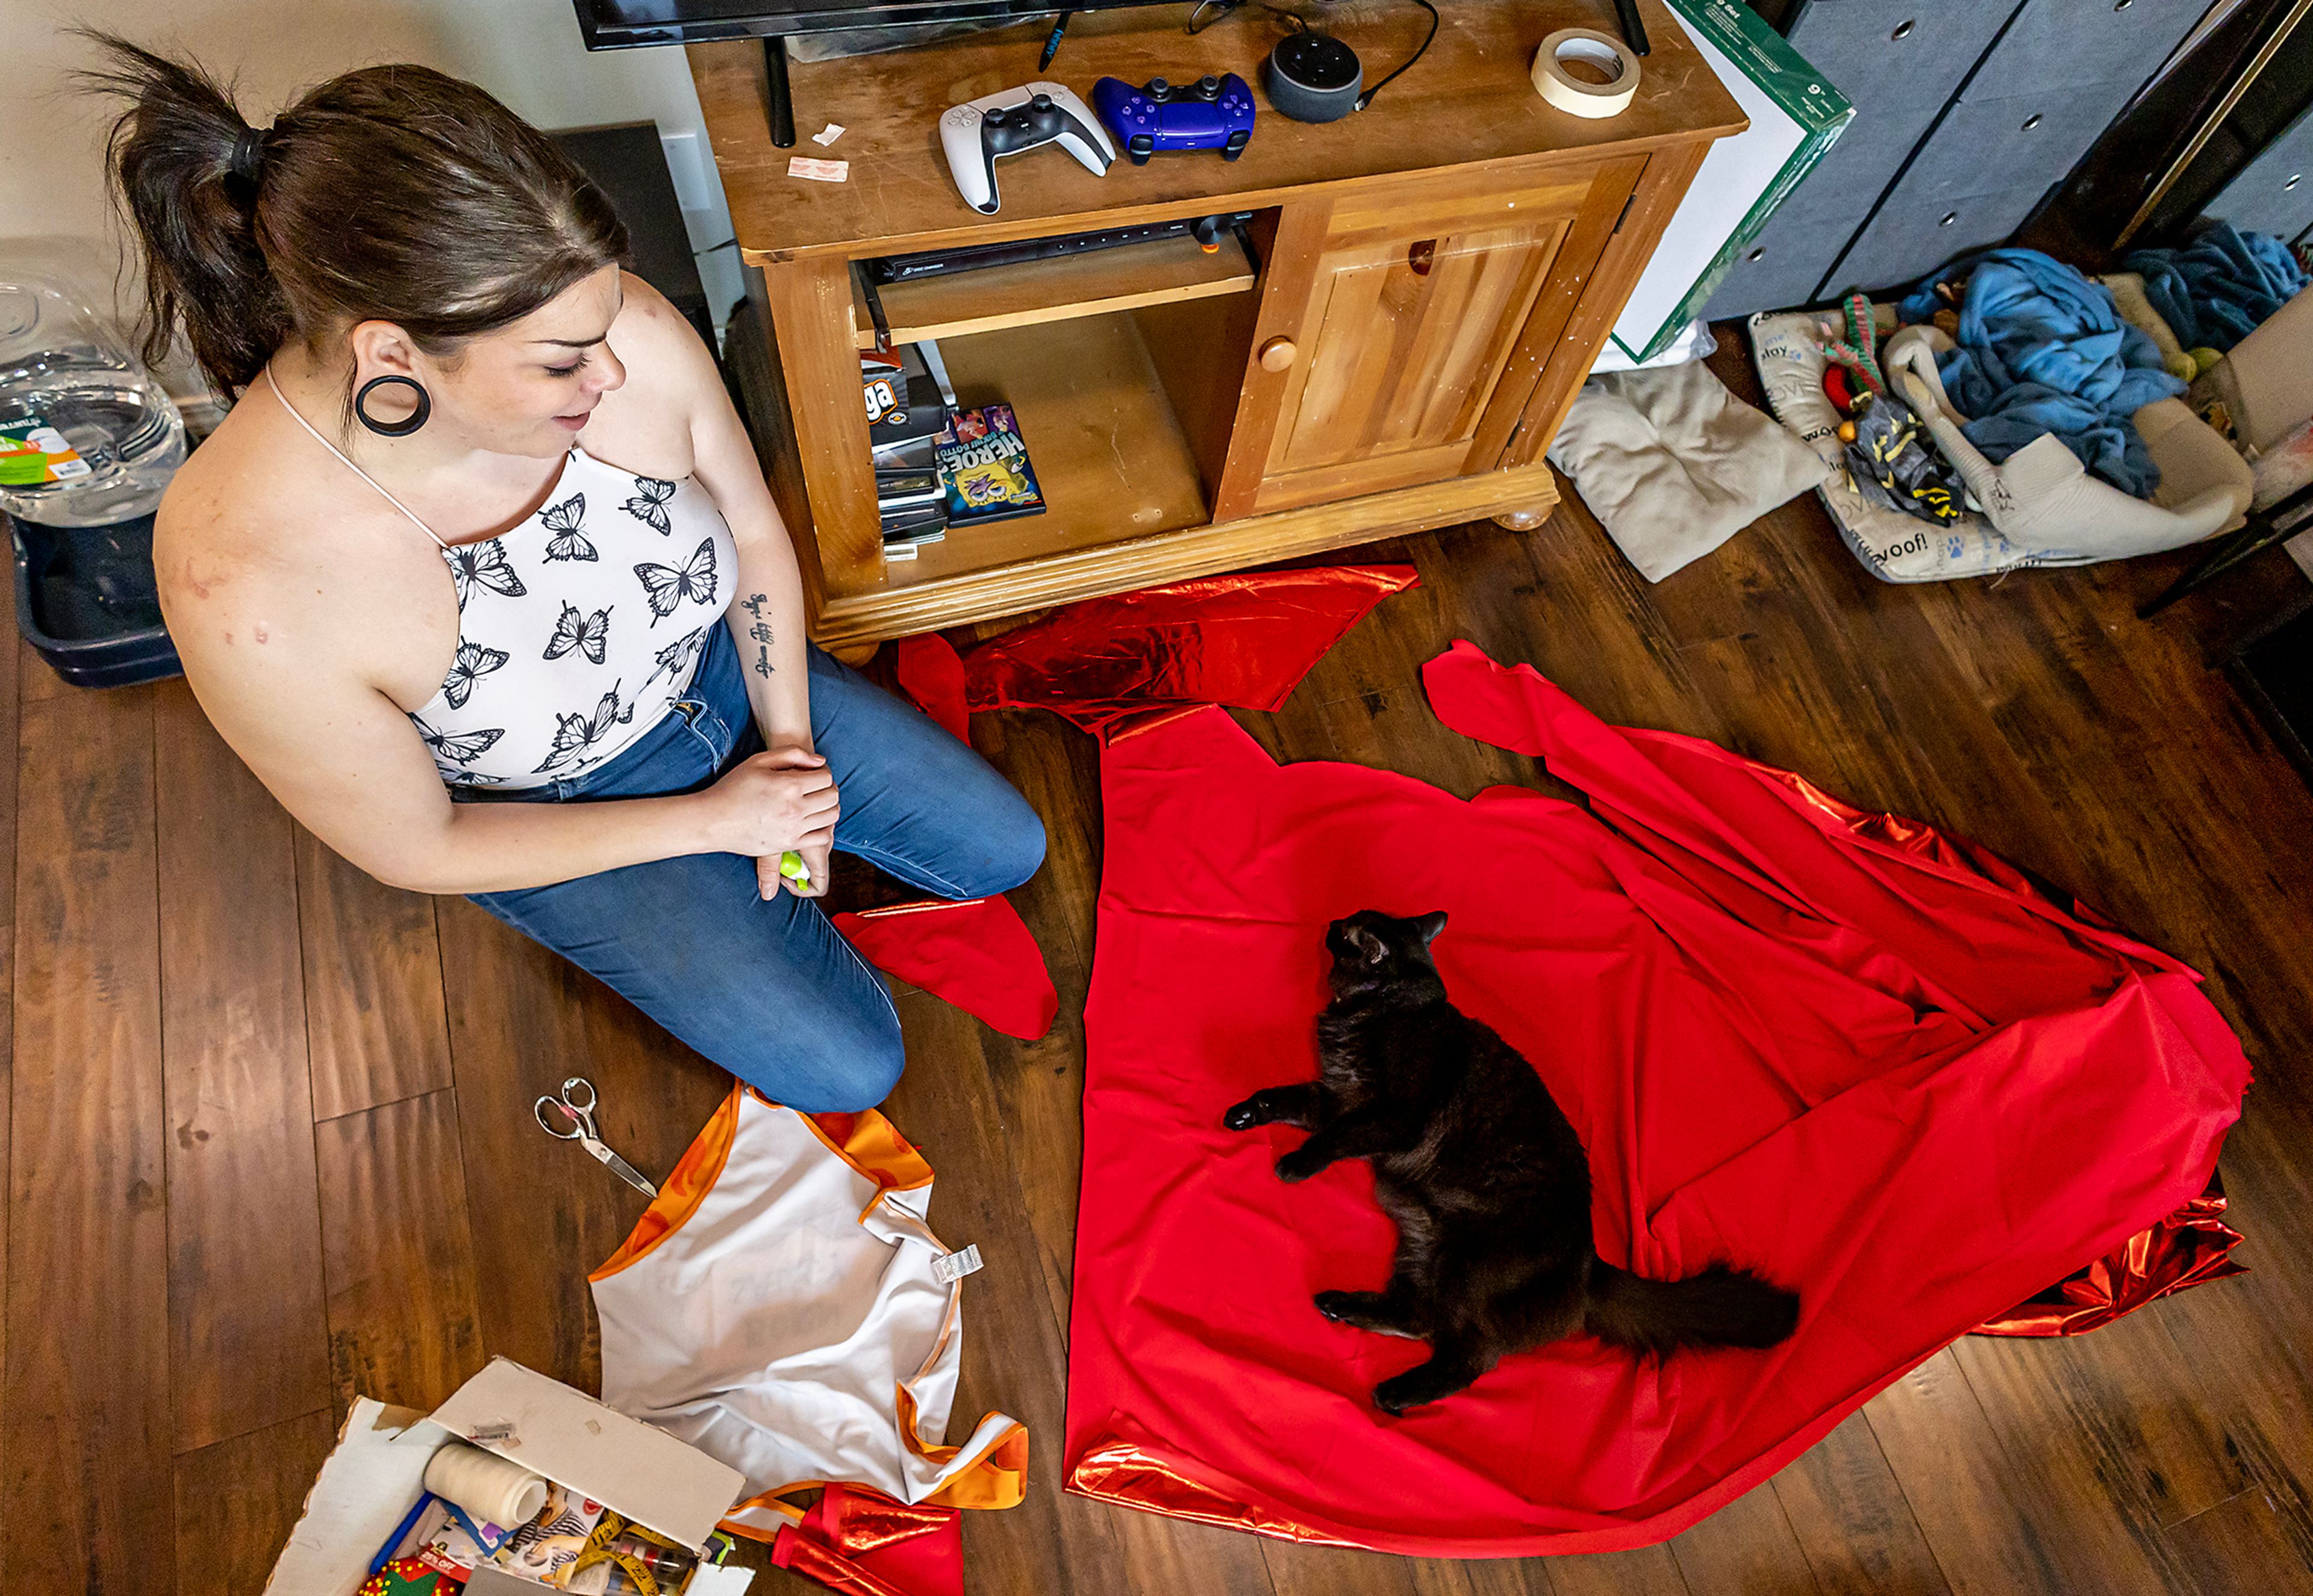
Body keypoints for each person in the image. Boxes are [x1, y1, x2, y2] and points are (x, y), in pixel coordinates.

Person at [84, 37, 1045, 1111]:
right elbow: (422, 844)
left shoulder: (602, 321)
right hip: (555, 798)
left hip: (718, 675)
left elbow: (757, 537)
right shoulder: (245, 578)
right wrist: (723, 823)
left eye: (603, 326)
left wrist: (785, 749)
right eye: (563, 361)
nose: (617, 368)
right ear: (395, 358)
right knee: (850, 1069)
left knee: (1009, 849)